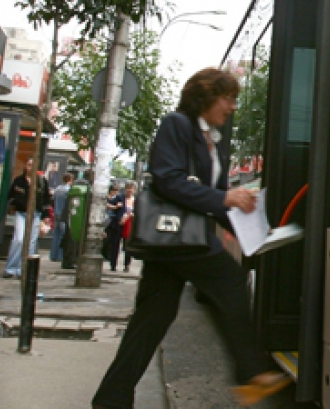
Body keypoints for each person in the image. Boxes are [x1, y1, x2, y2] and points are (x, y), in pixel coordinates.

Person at [91, 68, 291, 409]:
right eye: (227, 98)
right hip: (178, 237)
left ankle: (111, 399)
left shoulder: (215, 139)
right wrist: (224, 199)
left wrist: (251, 227)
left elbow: (209, 198)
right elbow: (168, 179)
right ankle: (251, 374)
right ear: (205, 97)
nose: (231, 107)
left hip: (177, 242)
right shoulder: (177, 124)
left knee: (150, 321)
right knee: (229, 279)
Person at [3, 158, 51, 279]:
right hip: (21, 212)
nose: (30, 167)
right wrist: (13, 205)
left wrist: (45, 216)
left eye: (33, 165)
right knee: (19, 239)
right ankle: (11, 268)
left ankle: (23, 270)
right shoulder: (19, 181)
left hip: (35, 214)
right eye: (29, 164)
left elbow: (46, 200)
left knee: (31, 242)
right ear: (25, 166)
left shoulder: (42, 181)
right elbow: (10, 196)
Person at [50, 173, 74, 262]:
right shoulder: (68, 190)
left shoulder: (58, 189)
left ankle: (53, 255)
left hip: (56, 213)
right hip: (63, 215)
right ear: (70, 180)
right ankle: (60, 256)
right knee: (63, 236)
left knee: (56, 235)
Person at [104, 184, 125, 271]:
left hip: (119, 222)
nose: (115, 193)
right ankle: (110, 259)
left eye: (116, 191)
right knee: (111, 241)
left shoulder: (119, 198)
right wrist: (115, 206)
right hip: (111, 221)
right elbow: (108, 205)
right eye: (114, 191)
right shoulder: (113, 198)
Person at [119, 181, 136, 272]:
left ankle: (126, 265)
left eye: (131, 189)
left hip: (129, 225)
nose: (129, 190)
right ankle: (113, 264)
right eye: (128, 188)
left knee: (127, 246)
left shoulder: (135, 201)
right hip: (120, 223)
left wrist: (130, 215)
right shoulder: (121, 198)